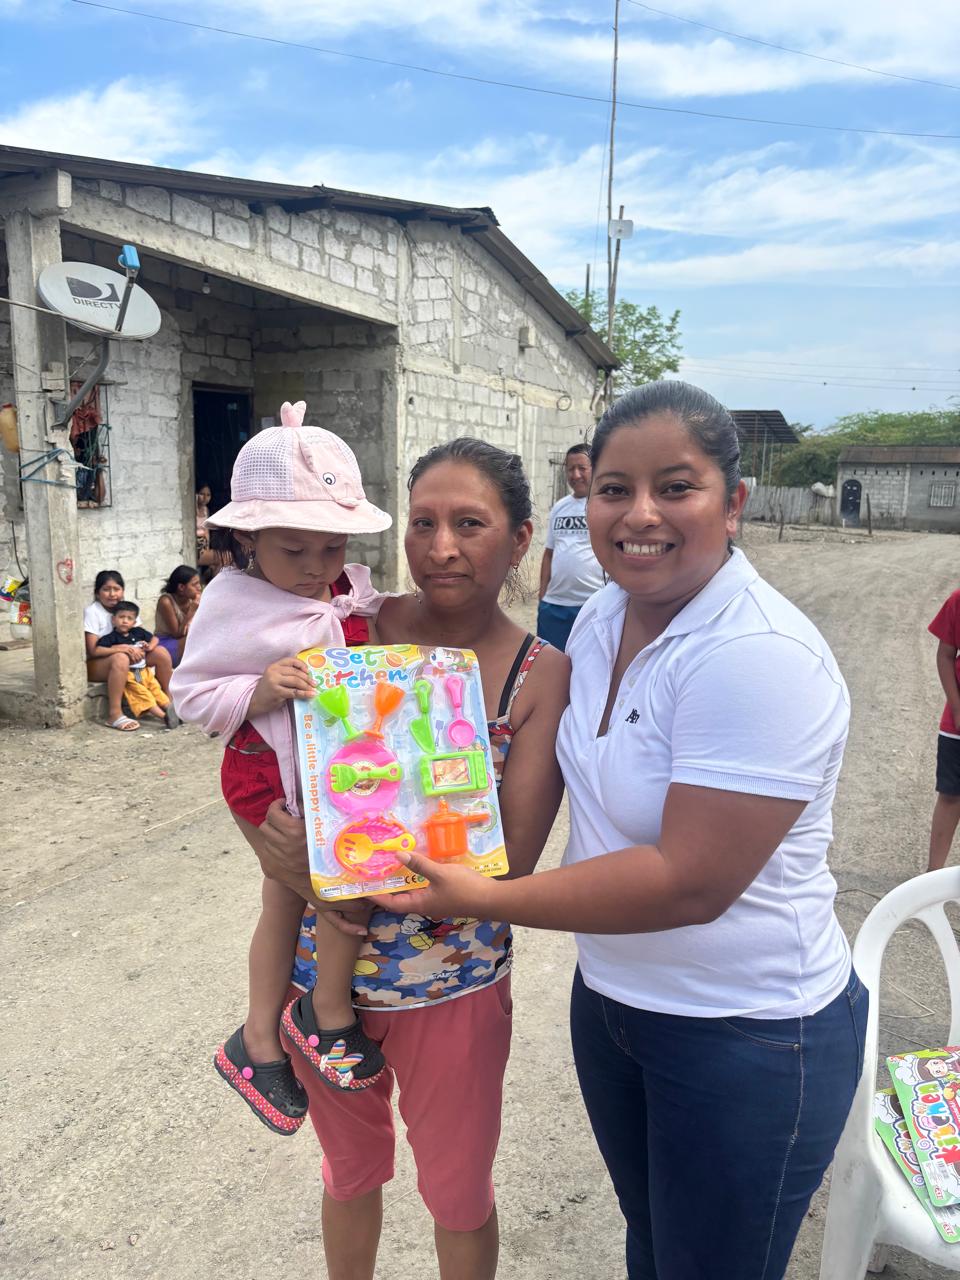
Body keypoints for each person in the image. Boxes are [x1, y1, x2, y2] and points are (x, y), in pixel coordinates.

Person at [376, 383, 867, 1280]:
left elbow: (689, 879)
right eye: (614, 489)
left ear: (733, 503)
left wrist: (485, 897)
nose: (640, 514)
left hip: (746, 1032)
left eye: (675, 487)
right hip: (614, 1005)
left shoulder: (757, 655)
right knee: (653, 1245)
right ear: (585, 499)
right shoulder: (604, 617)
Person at [239, 437, 569, 1280]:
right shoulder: (346, 624)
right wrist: (283, 855)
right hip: (324, 993)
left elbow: (510, 867)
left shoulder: (539, 675)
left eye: (470, 524)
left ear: (521, 539)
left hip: (452, 987)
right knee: (348, 1175)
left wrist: (350, 871)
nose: (442, 547)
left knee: (458, 1195)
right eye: (423, 523)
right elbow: (259, 754)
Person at [171, 401, 394, 1134]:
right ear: (247, 537)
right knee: (343, 897)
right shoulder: (234, 602)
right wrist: (259, 689)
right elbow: (190, 694)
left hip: (330, 776)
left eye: (331, 547)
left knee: (284, 899)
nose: (315, 567)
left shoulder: (344, 590)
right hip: (267, 780)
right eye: (293, 549)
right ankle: (324, 1014)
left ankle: (257, 1036)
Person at [84, 569, 174, 731]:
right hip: (98, 665)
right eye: (106, 589)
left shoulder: (127, 609)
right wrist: (122, 649)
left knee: (160, 653)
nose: (112, 594)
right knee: (121, 658)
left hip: (131, 662)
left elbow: (141, 636)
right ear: (97, 593)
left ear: (123, 591)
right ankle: (114, 714)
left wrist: (143, 648)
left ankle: (170, 702)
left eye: (116, 589)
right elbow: (93, 651)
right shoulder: (93, 612)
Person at [537, 443, 604, 651]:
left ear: (595, 469)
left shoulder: (604, 505)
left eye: (582, 468)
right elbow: (549, 553)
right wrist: (542, 596)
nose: (575, 475)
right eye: (570, 469)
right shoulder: (559, 507)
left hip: (592, 604)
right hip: (554, 605)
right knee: (550, 661)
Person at [97, 600, 179, 726]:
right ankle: (164, 717)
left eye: (129, 618)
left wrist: (150, 647)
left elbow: (155, 638)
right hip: (129, 675)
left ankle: (170, 709)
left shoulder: (138, 632)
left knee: (155, 689)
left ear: (134, 622)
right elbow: (99, 649)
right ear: (113, 619)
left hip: (144, 671)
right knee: (143, 695)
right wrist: (119, 648)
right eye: (121, 617)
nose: (125, 621)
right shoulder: (111, 638)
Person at [926, 589, 960, 870]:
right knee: (950, 795)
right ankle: (932, 874)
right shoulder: (958, 600)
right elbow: (945, 655)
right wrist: (956, 706)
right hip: (957, 727)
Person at [155, 565, 202, 665]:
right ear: (181, 587)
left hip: (184, 640)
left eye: (199, 583)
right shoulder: (166, 601)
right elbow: (176, 634)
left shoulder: (193, 599)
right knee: (196, 639)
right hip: (164, 644)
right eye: (195, 584)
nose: (199, 587)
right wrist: (191, 611)